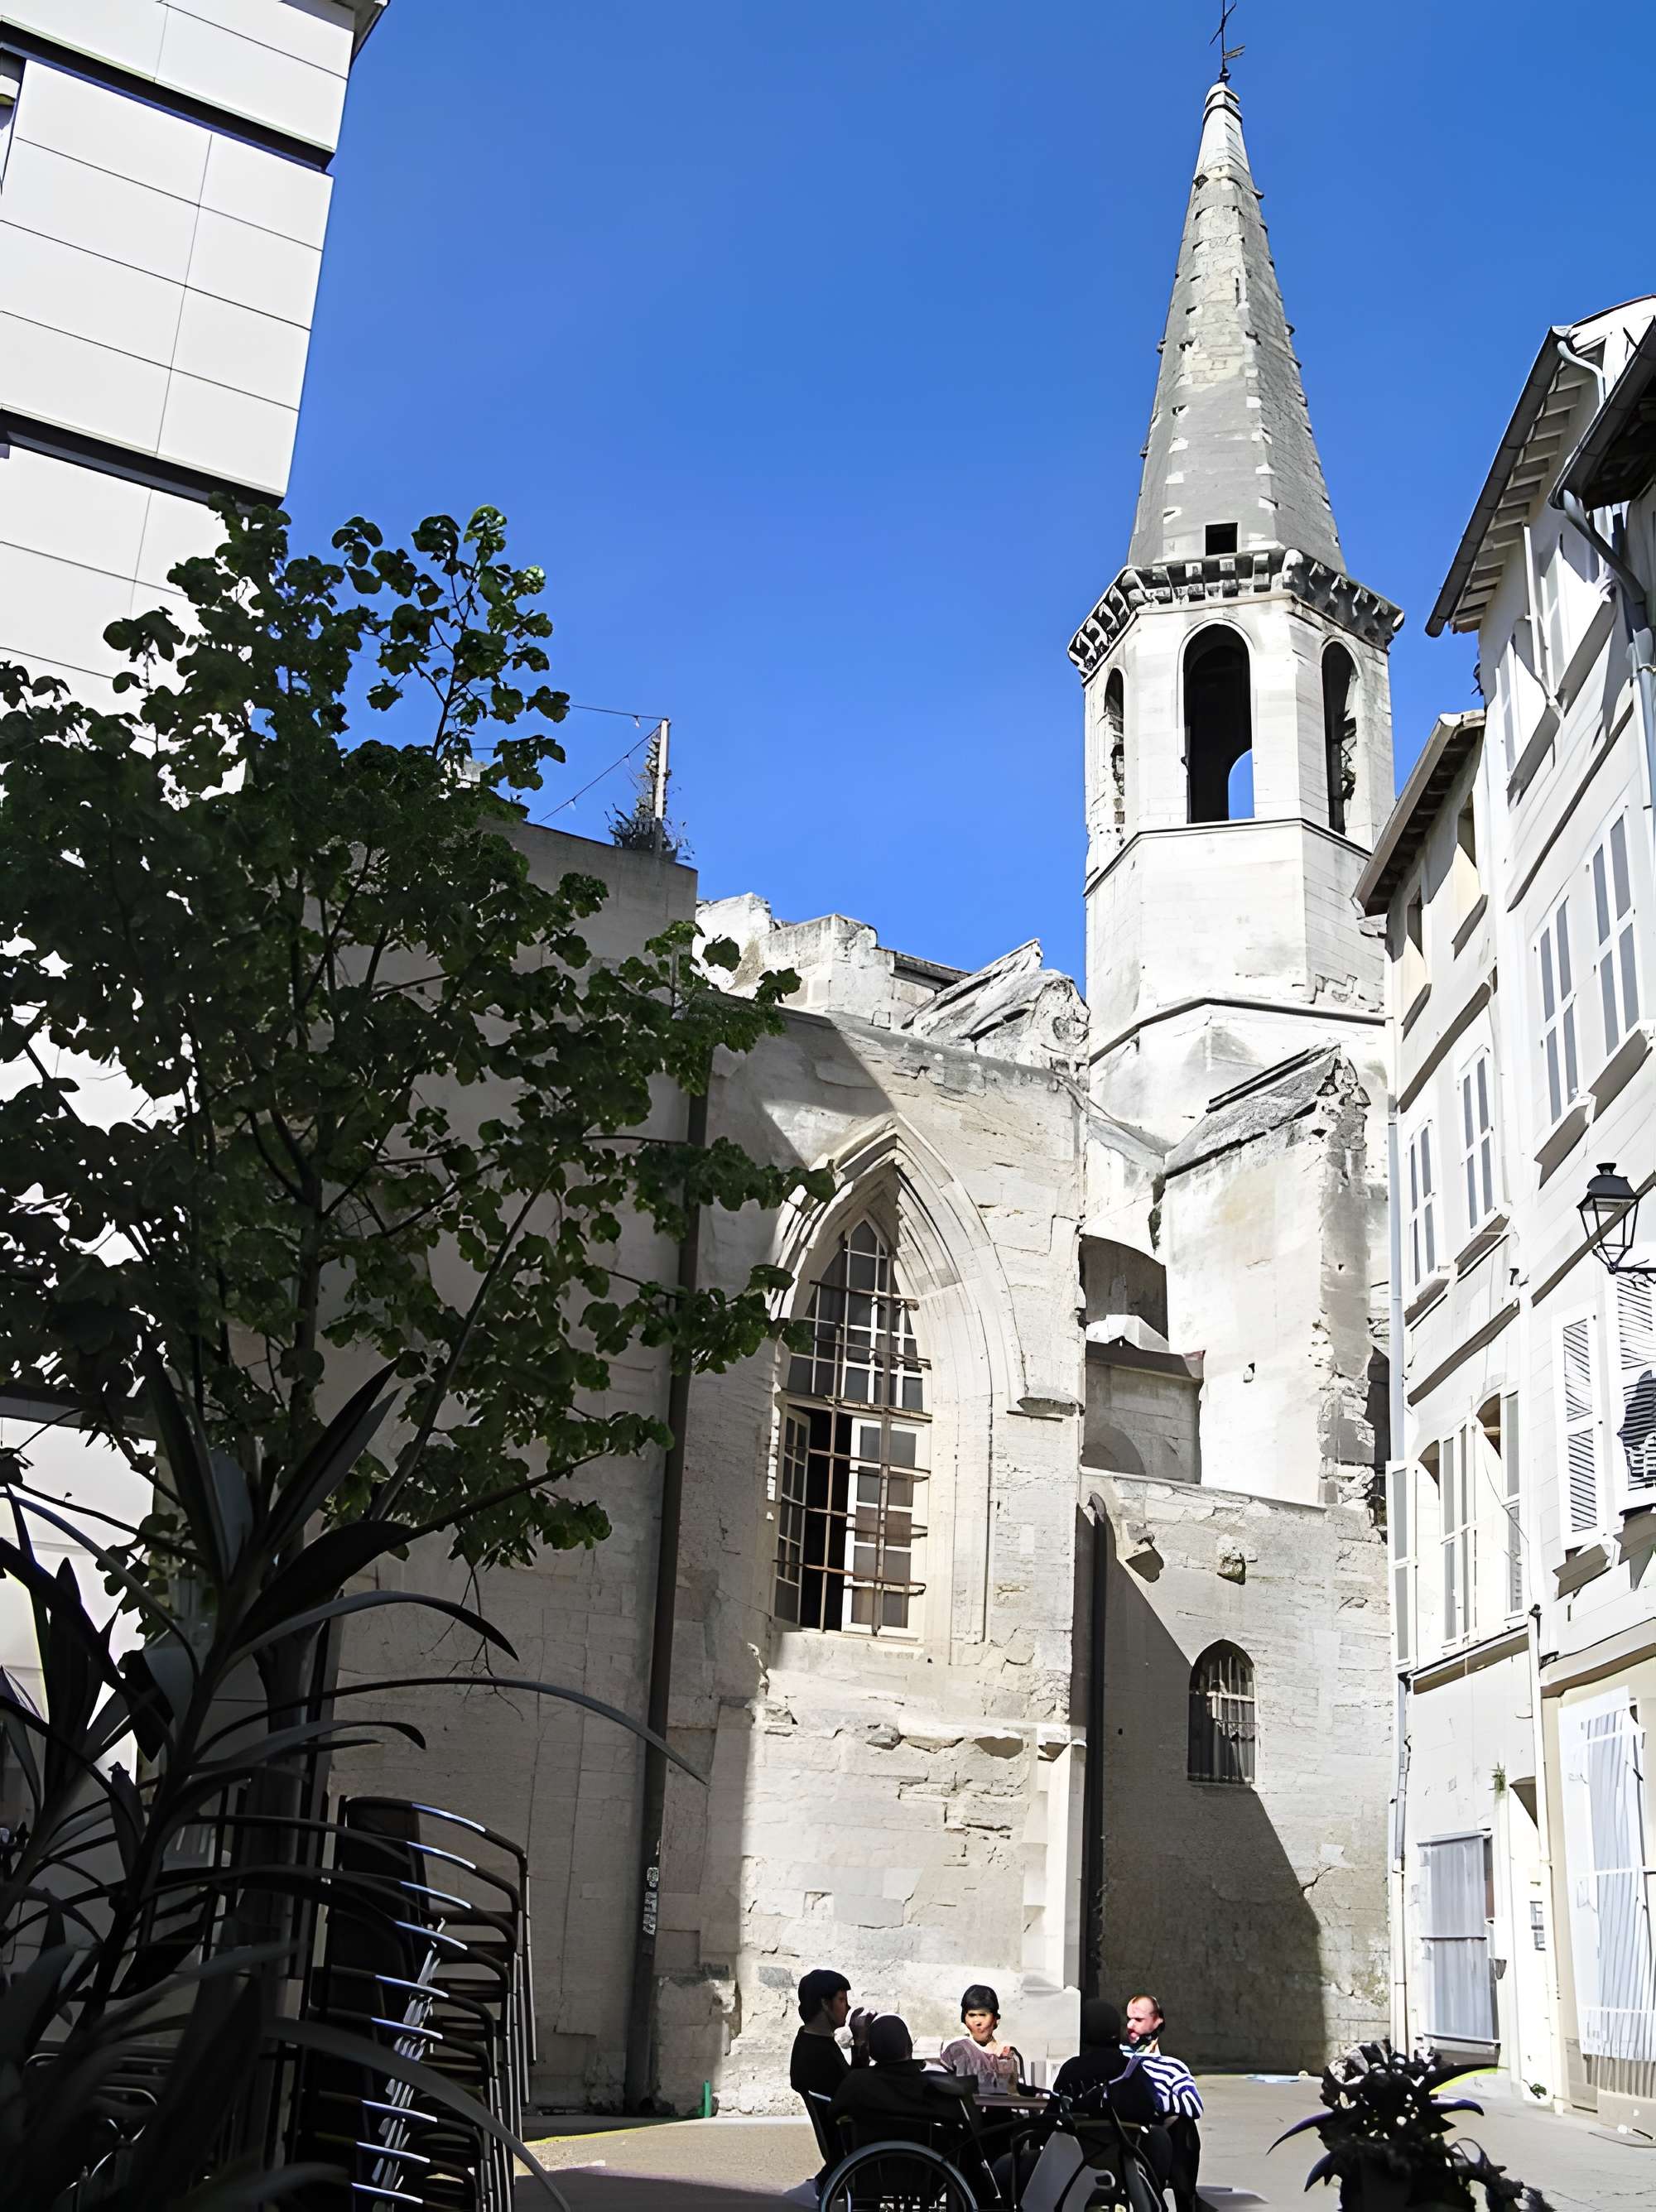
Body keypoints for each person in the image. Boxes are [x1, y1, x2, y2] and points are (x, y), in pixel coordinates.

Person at [1123, 1993, 1202, 2212]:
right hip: (1123, 2136)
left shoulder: (1172, 2066)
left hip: (1159, 2137)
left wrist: (1157, 2104)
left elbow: (1193, 2104)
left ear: (1157, 2023)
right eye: (1129, 2019)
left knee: (1183, 2126)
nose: (1130, 2025)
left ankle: (1184, 2199)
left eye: (1138, 2020)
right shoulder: (1118, 2060)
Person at [939, 1982, 1023, 2092]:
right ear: (964, 2018)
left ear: (995, 2019)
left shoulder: (1009, 2055)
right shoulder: (956, 2051)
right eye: (972, 2015)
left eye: (983, 2015)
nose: (977, 2022)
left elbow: (1018, 2094)